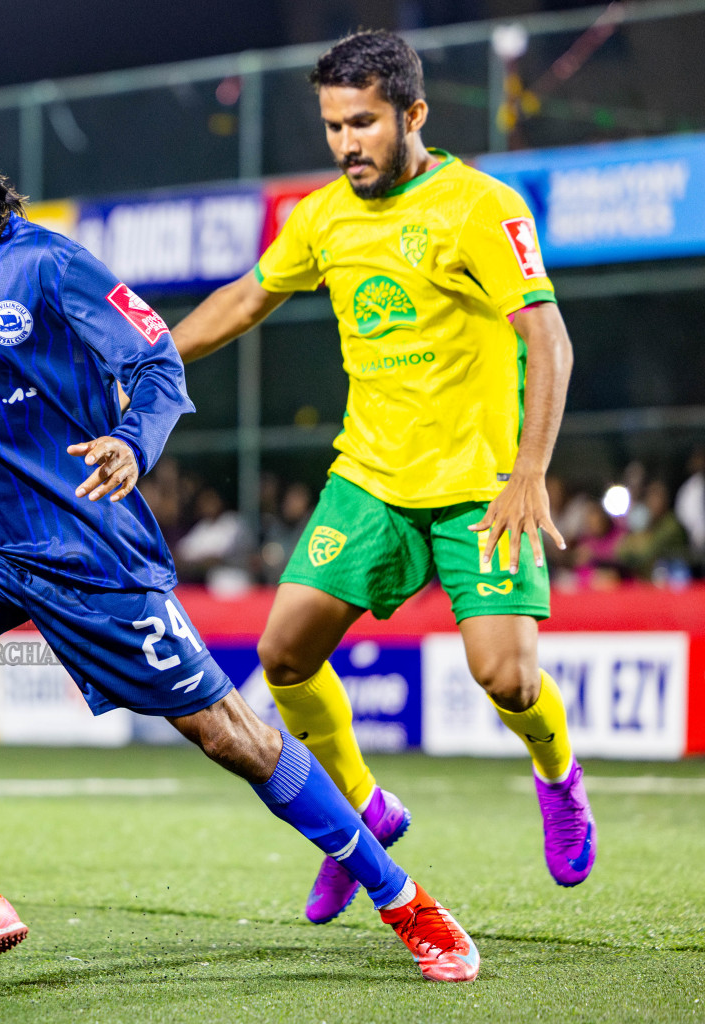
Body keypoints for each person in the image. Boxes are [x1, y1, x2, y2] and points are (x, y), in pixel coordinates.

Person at [0, 87, 479, 982]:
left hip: (85, 544)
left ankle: (404, 898)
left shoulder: (50, 266)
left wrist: (131, 441)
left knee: (233, 734)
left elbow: (157, 362)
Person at [170, 31, 594, 924]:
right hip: (371, 479)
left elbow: (549, 340)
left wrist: (530, 472)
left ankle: (558, 776)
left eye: (362, 123)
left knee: (509, 682)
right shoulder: (322, 217)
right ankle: (363, 811)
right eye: (333, 126)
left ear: (414, 114)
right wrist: (151, 358)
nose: (345, 144)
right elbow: (245, 299)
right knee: (284, 655)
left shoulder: (480, 206)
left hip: (481, 486)